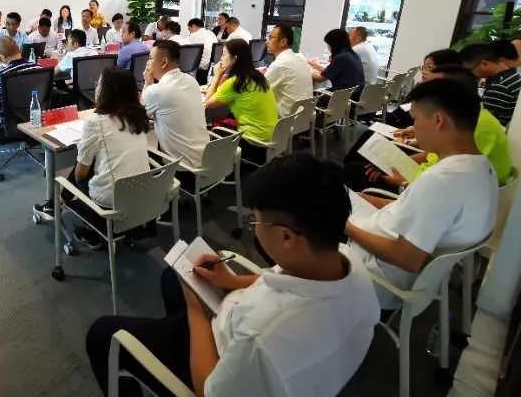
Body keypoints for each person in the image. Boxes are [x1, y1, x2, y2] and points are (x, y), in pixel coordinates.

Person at [85, 153, 380, 397]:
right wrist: (232, 282)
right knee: (173, 280)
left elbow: (207, 389)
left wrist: (197, 313)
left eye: (256, 223)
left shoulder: (261, 336)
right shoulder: (346, 261)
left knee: (103, 333)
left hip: (221, 356)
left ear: (287, 237)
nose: (254, 230)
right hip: (239, 325)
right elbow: (288, 282)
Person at [346, 78, 498, 308]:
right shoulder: (481, 168)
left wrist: (343, 224)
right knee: (337, 193)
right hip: (383, 237)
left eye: (415, 119)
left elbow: (406, 259)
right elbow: (409, 211)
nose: (413, 128)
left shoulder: (442, 181)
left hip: (374, 272)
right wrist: (362, 198)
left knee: (304, 207)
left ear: (438, 120)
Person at [344, 65, 513, 191]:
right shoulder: (471, 120)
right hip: (420, 177)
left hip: (415, 184)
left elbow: (432, 189)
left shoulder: (474, 131)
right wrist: (394, 163)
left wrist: (400, 180)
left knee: (356, 170)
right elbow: (433, 157)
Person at [33, 68, 151, 243]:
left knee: (82, 169)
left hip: (111, 202)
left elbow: (80, 174)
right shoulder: (138, 116)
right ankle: (57, 205)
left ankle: (58, 205)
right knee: (93, 161)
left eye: (99, 84)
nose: (96, 87)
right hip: (144, 192)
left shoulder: (96, 122)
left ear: (107, 91)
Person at [205, 39, 278, 163]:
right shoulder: (259, 77)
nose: (221, 58)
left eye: (224, 54)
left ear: (235, 58)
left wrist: (217, 75)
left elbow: (207, 103)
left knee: (214, 130)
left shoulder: (235, 83)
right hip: (272, 139)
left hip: (253, 144)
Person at [142, 40, 210, 169]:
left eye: (150, 58)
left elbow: (140, 115)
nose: (147, 63)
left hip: (182, 169)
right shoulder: (191, 80)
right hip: (207, 159)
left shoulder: (156, 91)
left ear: (164, 62)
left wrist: (147, 83)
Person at [0, 36, 42, 138]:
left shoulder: (2, 75)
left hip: (11, 120)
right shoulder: (38, 68)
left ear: (2, 56)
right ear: (19, 49)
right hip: (36, 114)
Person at [461, 42, 521, 126]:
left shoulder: (498, 86)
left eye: (470, 69)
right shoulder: (515, 75)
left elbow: (486, 124)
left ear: (484, 64)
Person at [264, 23, 313, 117]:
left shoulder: (279, 65)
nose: (267, 42)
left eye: (271, 38)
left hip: (285, 119)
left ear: (283, 42)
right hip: (304, 115)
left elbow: (259, 92)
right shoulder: (300, 56)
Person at [184, 18, 217, 85]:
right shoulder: (211, 34)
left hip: (199, 69)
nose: (189, 32)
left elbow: (185, 49)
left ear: (193, 26)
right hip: (210, 67)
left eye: (189, 29)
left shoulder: (194, 35)